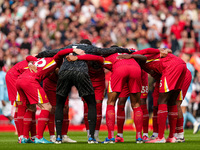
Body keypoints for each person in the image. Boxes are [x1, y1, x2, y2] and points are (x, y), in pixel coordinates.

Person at [36, 39, 133, 143]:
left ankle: (58, 137)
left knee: (60, 104)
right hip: (80, 73)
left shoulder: (69, 47)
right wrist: (128, 50)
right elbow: (109, 51)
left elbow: (51, 52)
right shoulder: (90, 48)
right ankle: (91, 137)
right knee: (91, 103)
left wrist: (38, 56)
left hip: (64, 73)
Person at [66, 47, 147, 143]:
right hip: (136, 69)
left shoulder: (108, 57)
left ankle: (110, 137)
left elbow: (95, 58)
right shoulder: (129, 53)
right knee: (136, 104)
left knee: (111, 102)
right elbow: (144, 57)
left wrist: (77, 58)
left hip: (120, 69)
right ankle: (139, 137)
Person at [118, 48, 188, 143]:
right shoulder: (145, 64)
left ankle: (160, 137)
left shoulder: (137, 58)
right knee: (172, 102)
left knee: (162, 101)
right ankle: (172, 137)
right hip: (181, 65)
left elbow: (146, 52)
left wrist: (131, 55)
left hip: (172, 67)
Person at [16, 48, 84, 144]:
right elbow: (60, 52)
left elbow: (28, 57)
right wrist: (74, 50)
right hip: (31, 81)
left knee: (30, 108)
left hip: (20, 80)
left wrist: (31, 63)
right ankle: (39, 137)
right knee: (47, 107)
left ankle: (24, 137)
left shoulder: (40, 59)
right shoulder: (54, 59)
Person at [5, 56, 37, 143]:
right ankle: (22, 137)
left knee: (23, 105)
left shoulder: (37, 61)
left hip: (15, 77)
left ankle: (26, 136)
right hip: (14, 78)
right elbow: (29, 57)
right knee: (21, 105)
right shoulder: (38, 62)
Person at [115, 70, 149, 142]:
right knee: (121, 102)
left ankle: (145, 135)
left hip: (141, 75)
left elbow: (145, 58)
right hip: (126, 75)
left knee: (142, 103)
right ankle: (119, 135)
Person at [43, 70, 76, 143]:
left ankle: (64, 135)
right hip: (50, 84)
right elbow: (56, 70)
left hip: (63, 84)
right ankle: (52, 136)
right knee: (52, 109)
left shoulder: (67, 59)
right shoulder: (53, 60)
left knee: (65, 108)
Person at [0, 61, 15, 130]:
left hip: (3, 98)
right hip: (7, 97)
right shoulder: (5, 74)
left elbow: (1, 87)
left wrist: (2, 99)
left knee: (7, 114)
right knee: (7, 114)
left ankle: (18, 128)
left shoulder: (1, 75)